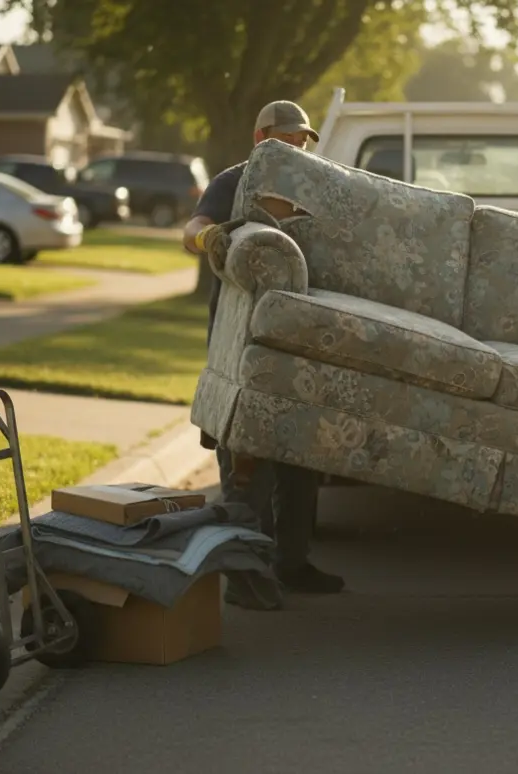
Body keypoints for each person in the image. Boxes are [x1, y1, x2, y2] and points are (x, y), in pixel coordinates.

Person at [183, 100, 345, 602]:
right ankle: (243, 575)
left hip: (296, 338)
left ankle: (291, 563)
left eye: (302, 140)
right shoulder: (234, 182)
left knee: (299, 458)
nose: (296, 147)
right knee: (245, 457)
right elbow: (192, 228)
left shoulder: (315, 186)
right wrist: (209, 237)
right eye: (287, 138)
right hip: (241, 337)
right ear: (260, 138)